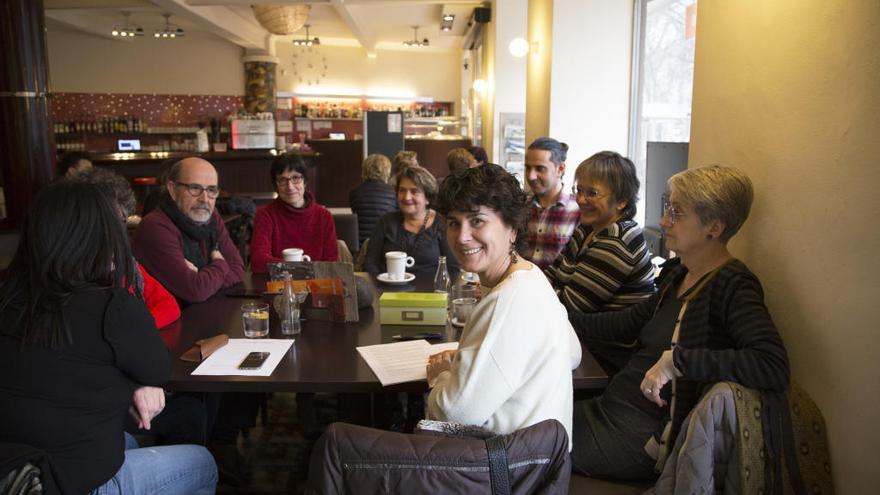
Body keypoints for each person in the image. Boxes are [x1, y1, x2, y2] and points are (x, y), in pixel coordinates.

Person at [568, 166, 790, 481]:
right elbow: (624, 323)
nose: (663, 221)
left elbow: (772, 364)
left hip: (637, 437)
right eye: (667, 209)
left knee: (522, 442)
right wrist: (558, 318)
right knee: (521, 421)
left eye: (676, 213)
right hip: (610, 409)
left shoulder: (733, 285)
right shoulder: (678, 274)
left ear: (714, 226)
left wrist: (678, 362)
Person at [0, 180, 217, 494]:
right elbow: (156, 368)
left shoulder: (9, 297)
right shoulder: (110, 305)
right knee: (203, 462)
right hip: (71, 481)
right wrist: (136, 383)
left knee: (128, 440)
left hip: (14, 468)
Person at [426, 164, 582, 444]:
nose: (461, 236)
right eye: (453, 222)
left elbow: (452, 416)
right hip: (542, 460)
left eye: (477, 221)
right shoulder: (531, 275)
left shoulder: (506, 299)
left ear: (512, 228)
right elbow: (573, 353)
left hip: (510, 471)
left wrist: (442, 376)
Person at [546, 151, 655, 313]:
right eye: (579, 190)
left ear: (622, 200)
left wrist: (541, 295)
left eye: (592, 193)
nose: (581, 200)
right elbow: (549, 276)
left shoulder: (618, 240)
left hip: (602, 337)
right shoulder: (586, 228)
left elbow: (571, 306)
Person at [133, 157, 245, 304]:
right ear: (173, 190)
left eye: (211, 190)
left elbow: (238, 269)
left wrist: (206, 280)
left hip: (203, 314)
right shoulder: (155, 227)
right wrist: (220, 263)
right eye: (195, 188)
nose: (204, 199)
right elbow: (196, 290)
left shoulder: (212, 216)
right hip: (167, 323)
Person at [363, 165, 459, 275]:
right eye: (402, 190)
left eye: (414, 191)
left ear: (427, 197)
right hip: (388, 290)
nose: (406, 197)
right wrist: (377, 287)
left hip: (431, 291)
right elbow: (371, 263)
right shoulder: (385, 221)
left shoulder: (442, 224)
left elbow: (453, 268)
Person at [250, 153, 338, 272]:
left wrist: (290, 268)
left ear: (305, 181)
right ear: (276, 185)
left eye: (296, 178)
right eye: (282, 180)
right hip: (278, 286)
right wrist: (299, 269)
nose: (290, 186)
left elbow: (331, 263)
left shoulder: (323, 216)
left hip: (316, 286)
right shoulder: (265, 215)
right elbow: (258, 260)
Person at [522, 137, 581, 269]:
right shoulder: (521, 207)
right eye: (527, 168)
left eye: (540, 169)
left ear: (560, 169)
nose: (531, 176)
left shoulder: (577, 211)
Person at [348, 154, 398, 246]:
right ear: (387, 171)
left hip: (361, 245)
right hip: (385, 244)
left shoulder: (354, 193)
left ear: (364, 170)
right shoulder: (394, 193)